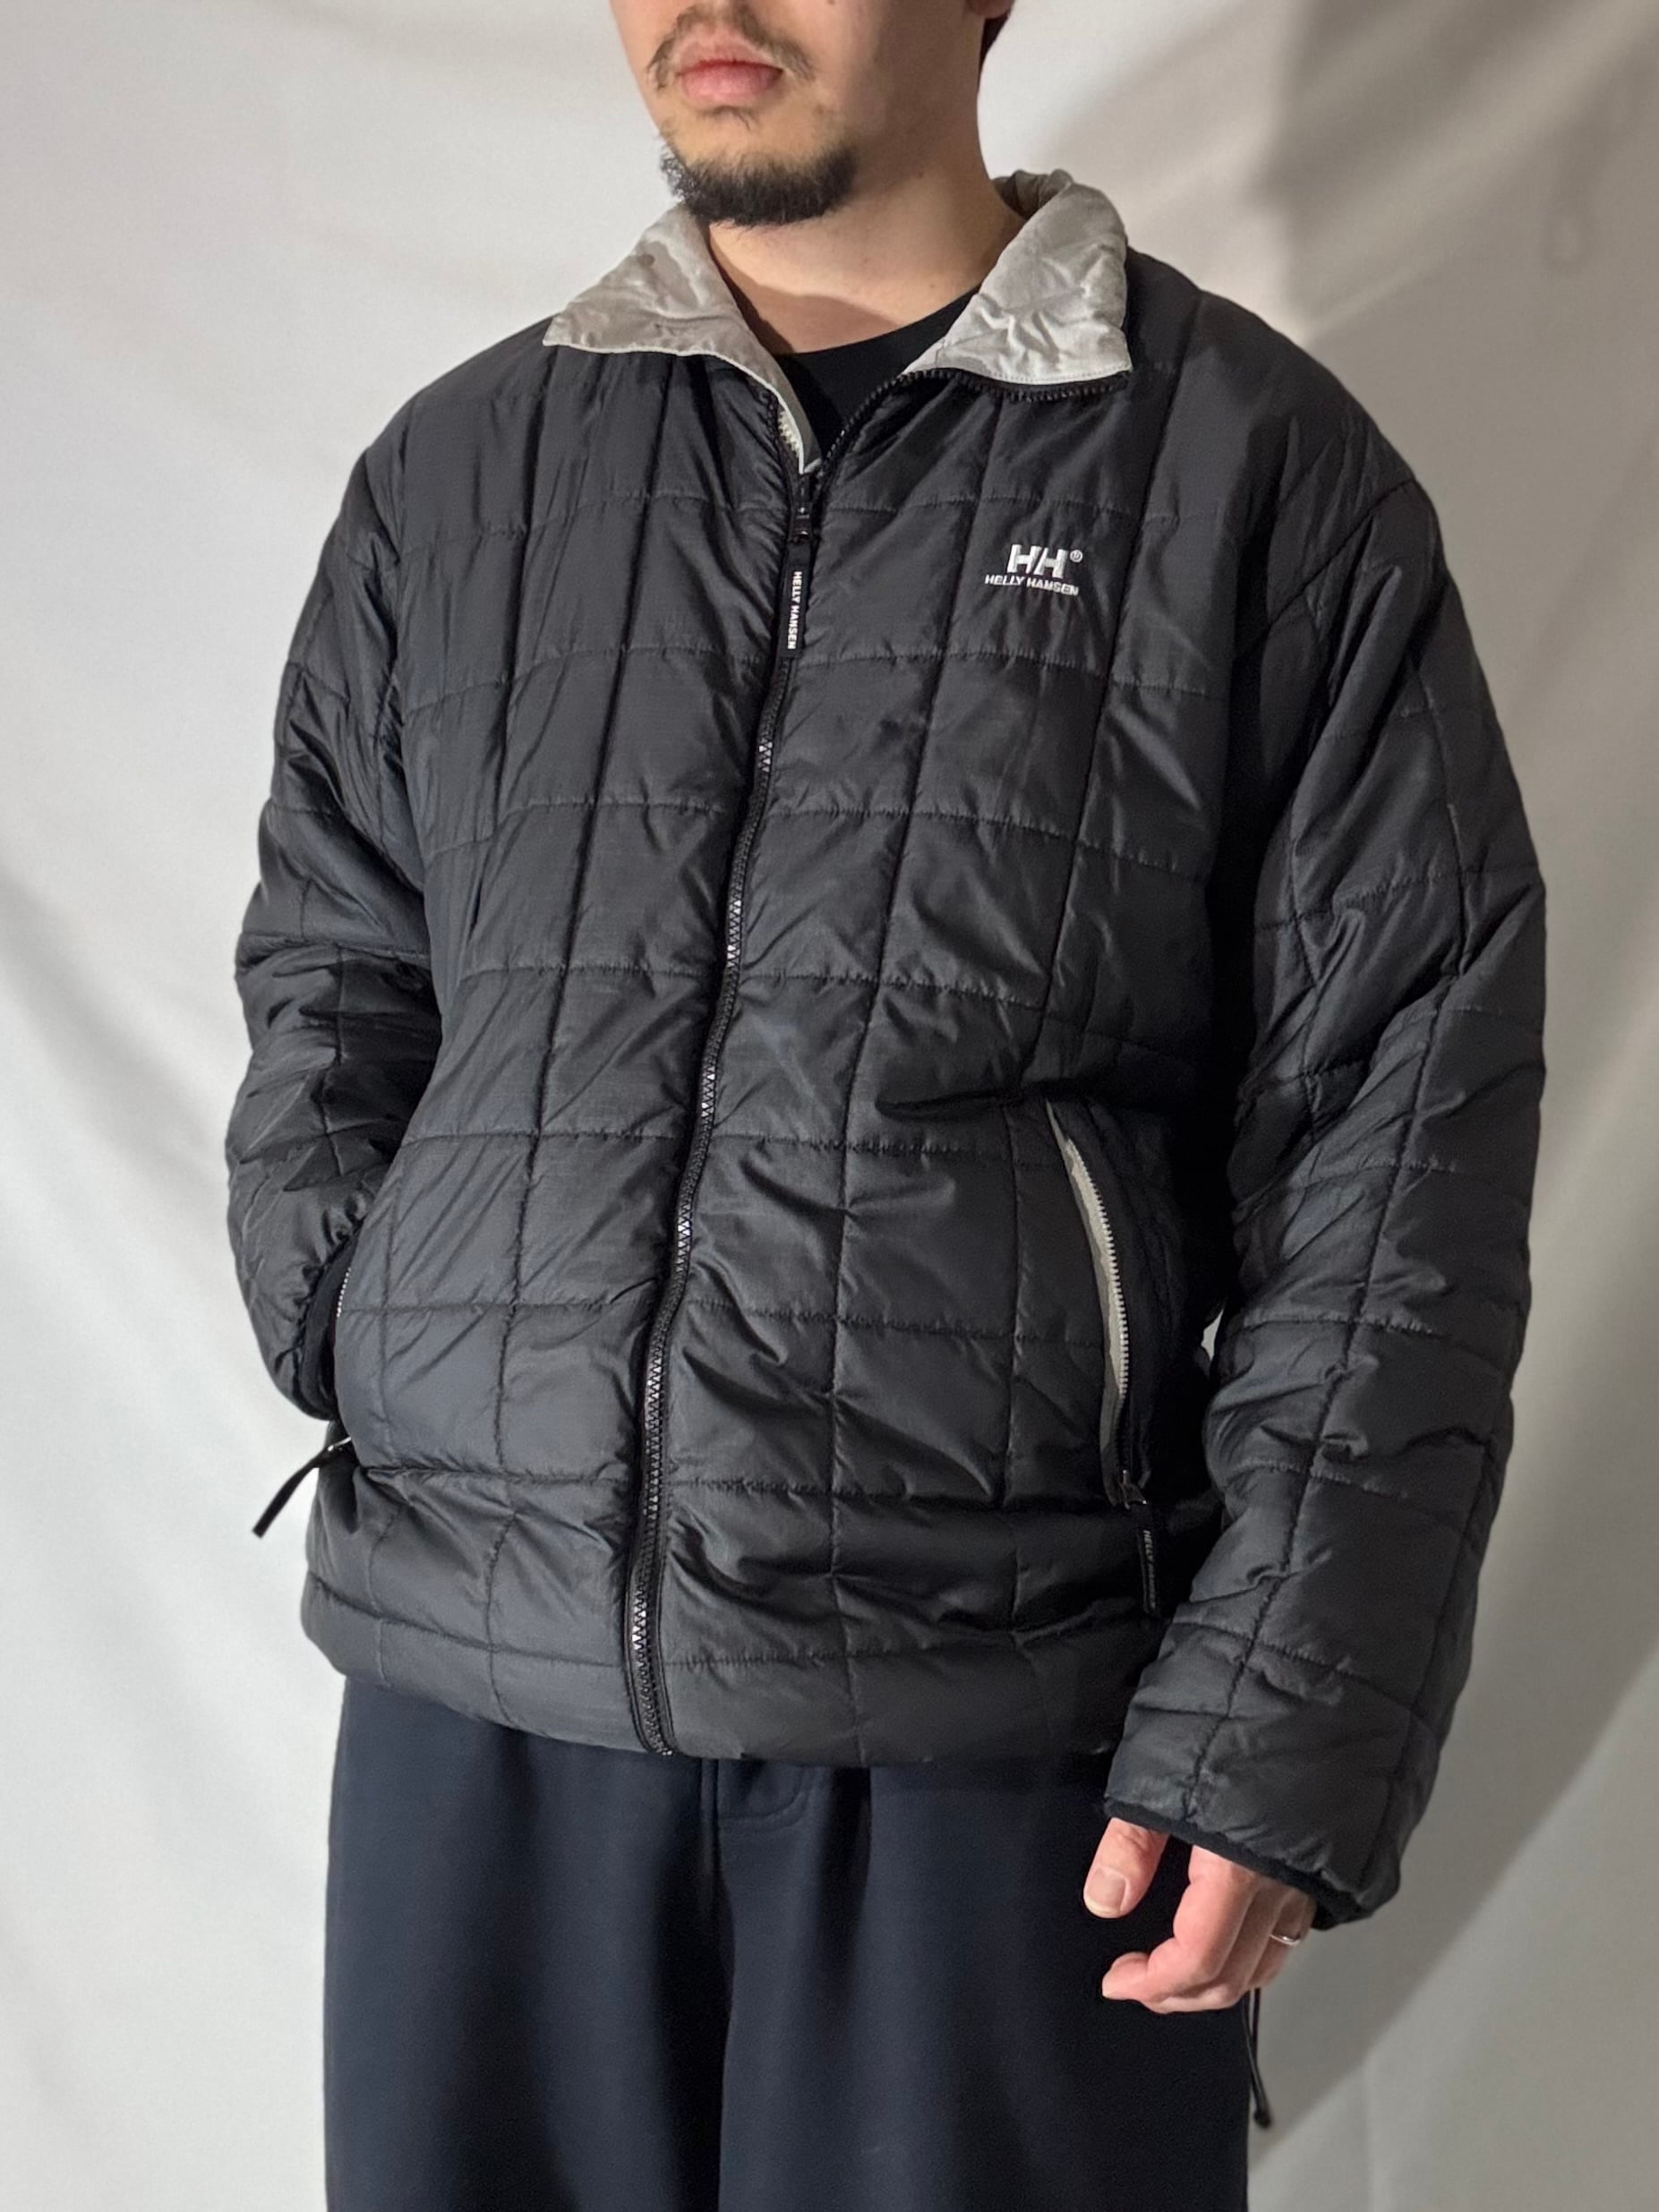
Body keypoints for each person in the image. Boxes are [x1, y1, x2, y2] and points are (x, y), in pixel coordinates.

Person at [223, 3, 1547, 2206]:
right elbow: (333, 988)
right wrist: (377, 1330)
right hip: (480, 1721)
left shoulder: (1250, 476)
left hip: (998, 1745)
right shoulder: (465, 476)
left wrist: (1282, 1714)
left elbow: (1400, 1139)